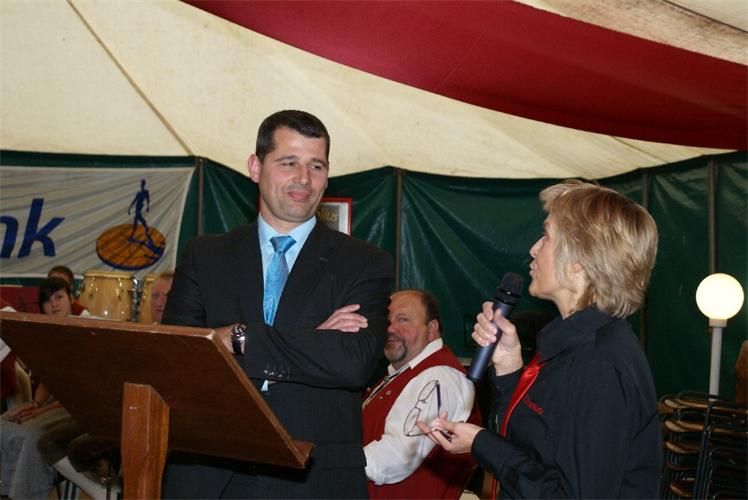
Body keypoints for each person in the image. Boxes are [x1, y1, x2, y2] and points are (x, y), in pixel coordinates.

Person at [161, 110, 393, 498]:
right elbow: (180, 360)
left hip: (313, 478)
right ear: (255, 167)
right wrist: (311, 339)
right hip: (209, 475)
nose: (304, 178)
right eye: (289, 163)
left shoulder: (364, 262)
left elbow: (351, 363)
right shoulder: (205, 256)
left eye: (316, 166)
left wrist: (239, 337)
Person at [419, 180, 661, 498]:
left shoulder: (600, 364)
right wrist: (508, 369)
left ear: (578, 260)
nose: (534, 248)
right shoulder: (570, 343)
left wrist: (480, 443)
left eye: (546, 236)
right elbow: (534, 446)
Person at [363, 289, 480, 498]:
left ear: (432, 329)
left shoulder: (439, 377)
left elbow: (397, 456)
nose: (390, 328)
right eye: (387, 320)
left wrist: (333, 462)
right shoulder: (401, 375)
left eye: (403, 320)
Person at [1, 278, 82, 499]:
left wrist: (41, 411)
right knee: (4, 425)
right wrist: (35, 404)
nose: (53, 304)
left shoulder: (83, 334)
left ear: (71, 299)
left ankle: (27, 494)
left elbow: (78, 394)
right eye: (46, 300)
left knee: (30, 434)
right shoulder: (46, 335)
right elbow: (46, 380)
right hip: (50, 404)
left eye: (59, 297)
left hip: (76, 408)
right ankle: (7, 491)